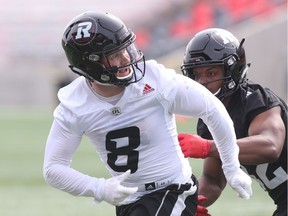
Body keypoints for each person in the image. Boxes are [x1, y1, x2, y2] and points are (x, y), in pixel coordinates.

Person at [43, 12, 252, 216]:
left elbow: (212, 109)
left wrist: (232, 167)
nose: (126, 58)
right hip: (130, 200)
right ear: (90, 64)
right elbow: (53, 168)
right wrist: (99, 188)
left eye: (126, 49)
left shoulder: (156, 81)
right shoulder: (75, 104)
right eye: (114, 55)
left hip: (171, 189)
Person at [179, 28, 287, 216]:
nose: (202, 82)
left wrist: (208, 146)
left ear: (234, 70)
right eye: (196, 75)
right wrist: (188, 205)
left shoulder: (256, 100)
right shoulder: (210, 118)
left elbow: (270, 147)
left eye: (211, 74)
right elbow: (213, 180)